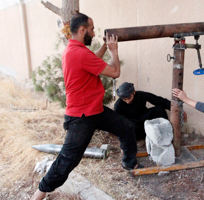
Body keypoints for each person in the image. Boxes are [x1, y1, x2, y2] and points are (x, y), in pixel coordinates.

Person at [31, 13, 142, 200]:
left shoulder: (73, 49)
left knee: (127, 128)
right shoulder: (80, 53)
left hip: (94, 110)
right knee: (67, 162)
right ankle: (38, 195)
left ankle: (129, 163)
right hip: (81, 116)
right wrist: (114, 51)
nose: (93, 33)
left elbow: (92, 59)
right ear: (82, 30)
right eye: (91, 30)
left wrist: (106, 45)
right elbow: (114, 72)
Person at [114, 82, 187, 140]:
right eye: (124, 99)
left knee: (159, 109)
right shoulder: (118, 105)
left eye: (129, 98)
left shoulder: (141, 95)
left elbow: (160, 101)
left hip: (145, 119)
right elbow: (117, 123)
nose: (127, 101)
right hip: (134, 125)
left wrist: (179, 111)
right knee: (132, 127)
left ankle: (166, 133)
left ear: (134, 92)